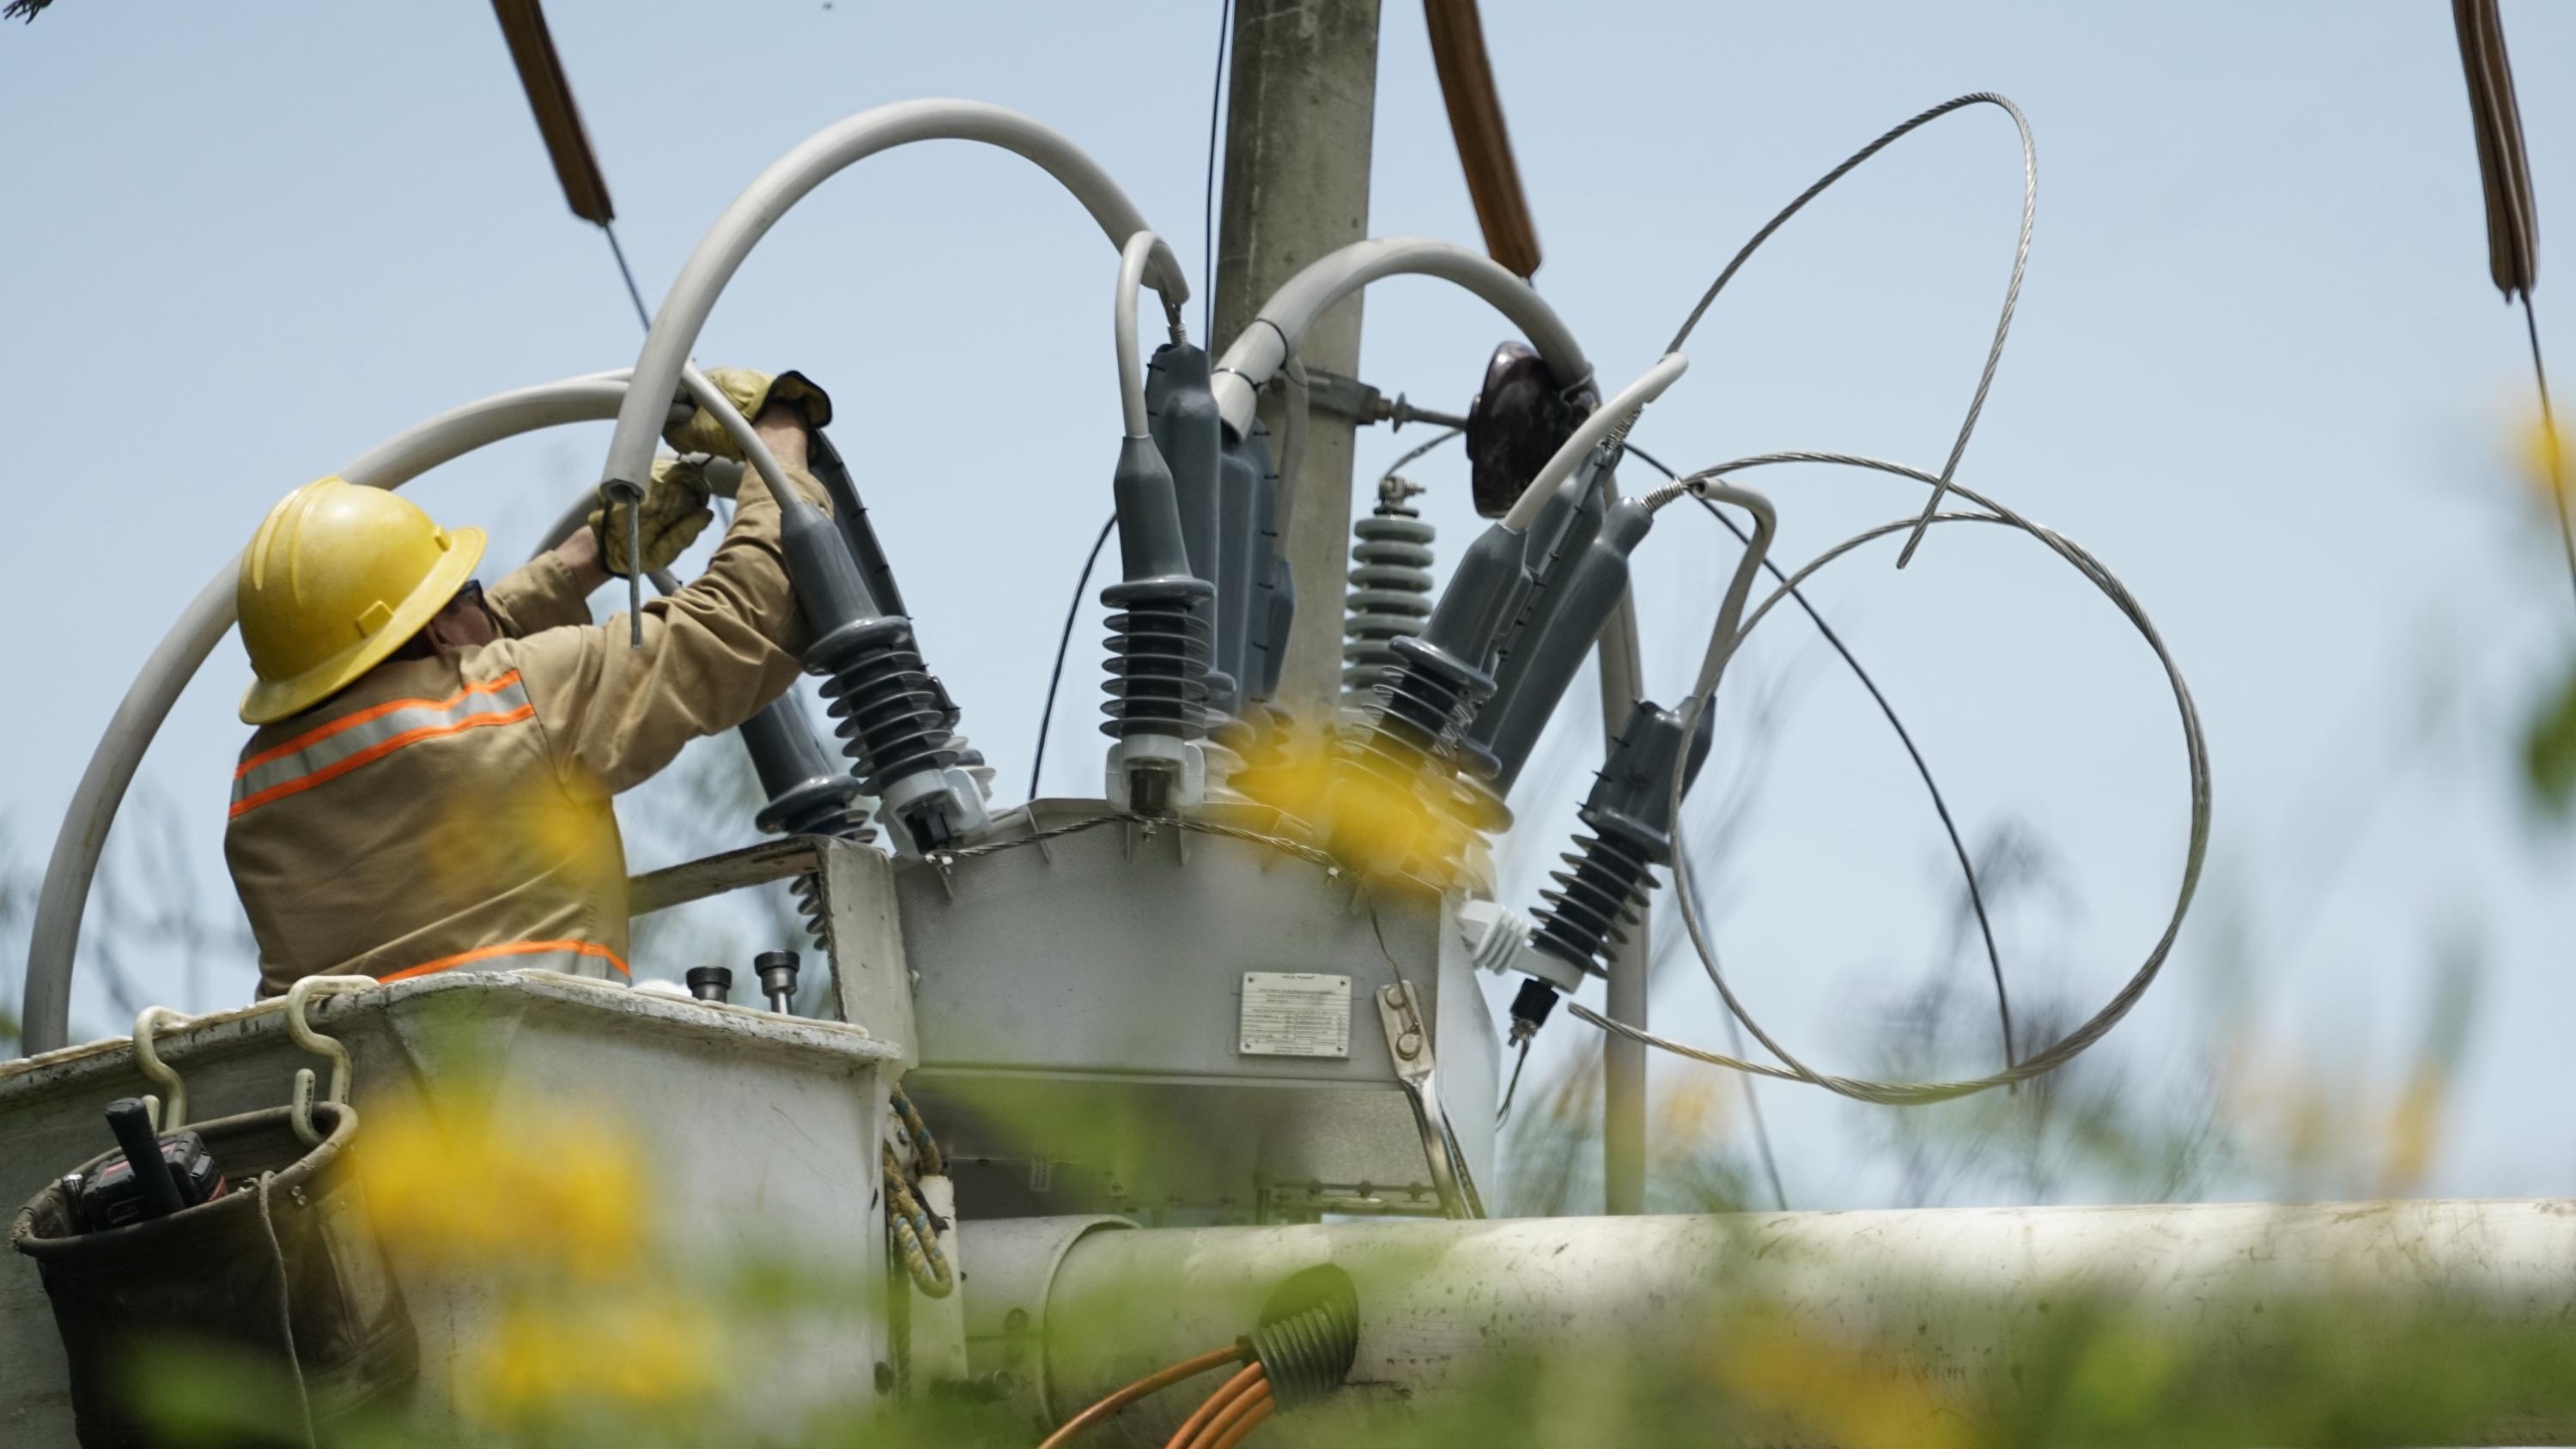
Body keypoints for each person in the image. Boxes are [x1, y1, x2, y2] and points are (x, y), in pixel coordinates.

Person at [223, 369, 832, 996]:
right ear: (433, 629)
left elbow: (448, 668)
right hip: (553, 1080)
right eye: (464, 591)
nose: (482, 605)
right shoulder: (519, 705)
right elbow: (746, 618)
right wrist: (779, 434)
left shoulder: (259, 803)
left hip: (356, 1090)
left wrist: (587, 558)